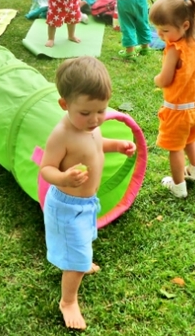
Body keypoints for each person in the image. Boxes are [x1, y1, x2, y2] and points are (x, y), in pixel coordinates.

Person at [40, 56, 136, 331]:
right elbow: (46, 168)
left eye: (101, 111)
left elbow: (95, 143)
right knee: (76, 256)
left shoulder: (90, 125)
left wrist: (116, 145)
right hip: (67, 206)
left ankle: (81, 260)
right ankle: (68, 301)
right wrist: (64, 178)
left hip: (87, 203)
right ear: (65, 105)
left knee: (83, 242)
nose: (95, 119)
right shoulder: (62, 134)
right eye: (85, 113)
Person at [149, 0, 195, 198]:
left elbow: (165, 79)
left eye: (165, 30)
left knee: (175, 148)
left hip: (178, 111)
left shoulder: (175, 49)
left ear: (184, 25)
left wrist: (157, 79)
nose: (160, 34)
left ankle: (178, 186)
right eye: (158, 29)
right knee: (190, 139)